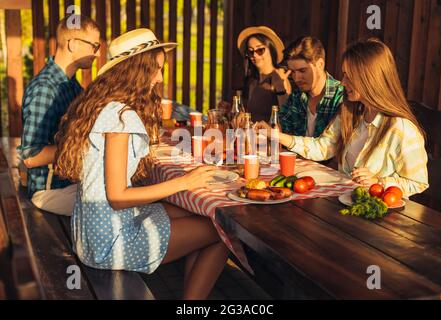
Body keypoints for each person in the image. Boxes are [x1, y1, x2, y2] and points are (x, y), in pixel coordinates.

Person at [54, 28, 229, 300]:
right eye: (155, 69)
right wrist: (186, 181)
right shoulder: (121, 117)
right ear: (135, 70)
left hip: (90, 233)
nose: (159, 78)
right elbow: (118, 197)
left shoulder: (105, 106)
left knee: (198, 215)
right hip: (110, 244)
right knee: (220, 233)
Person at [255, 38, 428, 198]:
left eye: (348, 76)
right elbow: (323, 147)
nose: (343, 82)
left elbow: (418, 183)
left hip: (377, 216)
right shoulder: (352, 113)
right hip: (344, 203)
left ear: (370, 78)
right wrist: (276, 135)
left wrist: (380, 182)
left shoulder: (401, 128)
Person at [17, 15, 100, 216]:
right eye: (94, 46)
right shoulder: (46, 89)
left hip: (70, 183)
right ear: (72, 44)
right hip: (50, 191)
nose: (97, 54)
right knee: (123, 203)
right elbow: (31, 156)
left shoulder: (70, 85)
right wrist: (82, 146)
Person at [220, 26, 291, 122]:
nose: (255, 55)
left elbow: (287, 117)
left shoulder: (279, 78)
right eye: (250, 51)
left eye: (260, 50)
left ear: (271, 49)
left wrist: (280, 85)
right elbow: (252, 113)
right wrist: (230, 109)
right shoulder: (252, 79)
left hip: (268, 136)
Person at [279, 36, 344, 137]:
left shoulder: (341, 96)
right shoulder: (296, 96)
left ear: (320, 64)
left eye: (302, 71)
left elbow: (329, 146)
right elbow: (281, 128)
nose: (296, 78)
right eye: (292, 72)